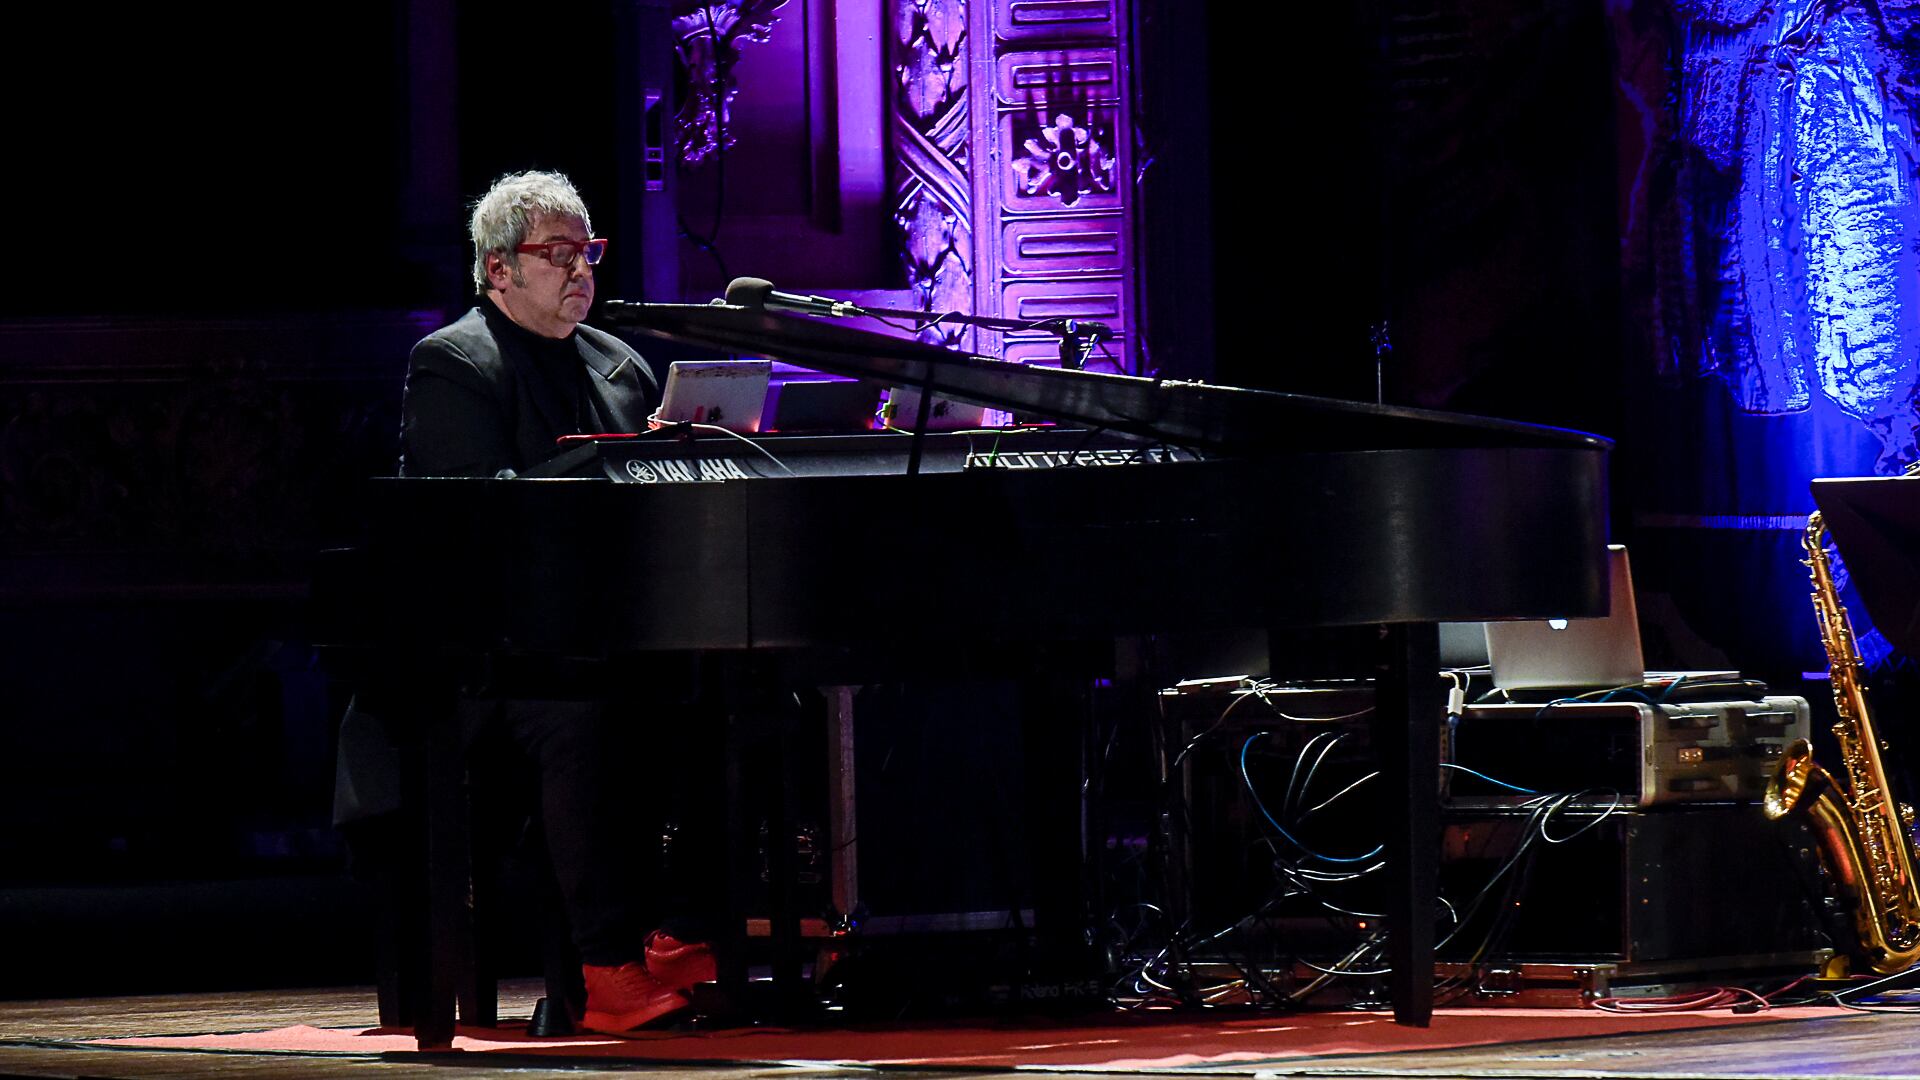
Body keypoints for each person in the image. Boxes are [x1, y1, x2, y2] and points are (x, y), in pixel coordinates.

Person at [395, 170, 710, 1034]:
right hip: (494, 659)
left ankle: (681, 928)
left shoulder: (619, 362)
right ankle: (605, 968)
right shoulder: (455, 361)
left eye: (589, 253)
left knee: (741, 687)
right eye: (557, 254)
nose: (581, 272)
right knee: (580, 716)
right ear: (498, 271)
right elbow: (474, 527)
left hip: (613, 634)